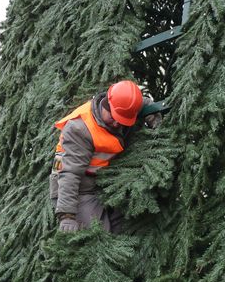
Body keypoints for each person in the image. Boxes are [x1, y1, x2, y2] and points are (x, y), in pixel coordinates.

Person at [50, 80, 162, 233]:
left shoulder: (125, 103)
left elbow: (141, 103)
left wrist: (152, 114)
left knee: (125, 228)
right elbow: (70, 173)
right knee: (99, 235)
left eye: (122, 120)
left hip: (103, 180)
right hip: (79, 189)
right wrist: (67, 216)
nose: (117, 124)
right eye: (113, 117)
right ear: (107, 104)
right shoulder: (79, 129)